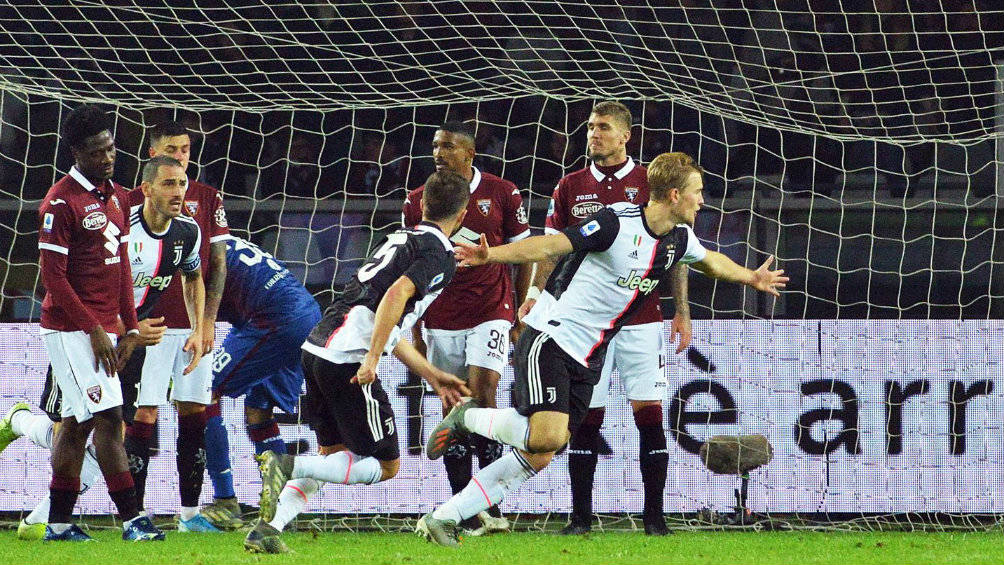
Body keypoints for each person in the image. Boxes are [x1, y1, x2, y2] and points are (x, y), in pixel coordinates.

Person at [418, 152, 788, 547]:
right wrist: (493, 254)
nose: (703, 200)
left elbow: (711, 262)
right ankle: (469, 419)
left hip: (589, 355)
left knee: (544, 451)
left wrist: (751, 276)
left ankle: (444, 517)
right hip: (551, 336)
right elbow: (553, 244)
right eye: (698, 192)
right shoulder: (616, 221)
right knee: (546, 437)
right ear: (676, 195)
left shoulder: (679, 238)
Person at [243, 170, 473, 554]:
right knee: (386, 465)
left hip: (316, 349)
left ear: (421, 205)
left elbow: (384, 318)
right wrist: (370, 359)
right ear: (463, 214)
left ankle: (267, 530)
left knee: (332, 458)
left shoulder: (400, 238)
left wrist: (431, 374)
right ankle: (286, 465)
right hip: (347, 360)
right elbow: (394, 298)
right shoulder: (439, 254)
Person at [521, 101, 692, 535]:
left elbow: (679, 250)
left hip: (642, 321)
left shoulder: (652, 181)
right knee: (584, 418)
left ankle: (655, 519)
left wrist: (682, 310)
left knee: (648, 414)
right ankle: (581, 518)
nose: (593, 134)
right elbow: (552, 245)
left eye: (603, 127)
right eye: (590, 127)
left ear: (625, 136)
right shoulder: (570, 186)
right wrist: (535, 292)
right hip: (586, 325)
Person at [34, 104, 163, 541]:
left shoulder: (119, 197)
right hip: (71, 329)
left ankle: (57, 525)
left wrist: (129, 328)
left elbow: (122, 268)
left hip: (106, 327)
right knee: (110, 417)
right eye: (97, 152)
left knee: (77, 423)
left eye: (111, 149)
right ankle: (134, 520)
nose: (107, 158)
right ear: (76, 152)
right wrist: (93, 329)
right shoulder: (60, 201)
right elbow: (52, 277)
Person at [402, 121, 532, 534]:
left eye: (448, 146)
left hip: (491, 310)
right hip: (440, 316)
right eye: (436, 146)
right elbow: (412, 267)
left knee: (485, 397)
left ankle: (489, 506)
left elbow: (524, 251)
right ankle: (465, 509)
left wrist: (519, 309)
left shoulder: (502, 192)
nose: (439, 153)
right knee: (454, 409)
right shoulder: (417, 200)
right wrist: (417, 328)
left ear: (469, 154)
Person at [122, 121, 230, 530]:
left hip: (190, 328)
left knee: (194, 412)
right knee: (144, 414)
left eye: (186, 148)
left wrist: (206, 324)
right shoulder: (130, 205)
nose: (182, 155)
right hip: (149, 326)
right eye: (173, 148)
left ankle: (189, 514)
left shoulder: (203, 201)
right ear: (153, 155)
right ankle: (136, 513)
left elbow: (211, 266)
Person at [198, 236, 322, 531]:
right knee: (258, 412)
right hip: (305, 314)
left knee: (203, 392)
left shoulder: (192, 246)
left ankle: (225, 501)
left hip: (274, 319)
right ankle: (280, 513)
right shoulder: (221, 237)